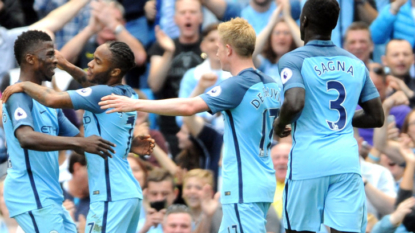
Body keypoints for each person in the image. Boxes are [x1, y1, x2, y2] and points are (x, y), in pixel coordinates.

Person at [100, 17, 282, 232]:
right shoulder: (272, 83)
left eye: (217, 49)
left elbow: (189, 107)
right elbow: (281, 124)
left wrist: (136, 103)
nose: (216, 54)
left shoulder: (237, 85)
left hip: (244, 183)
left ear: (228, 49)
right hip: (263, 178)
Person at [2, 41, 155, 233]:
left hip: (111, 194)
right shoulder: (126, 93)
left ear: (115, 72)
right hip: (127, 193)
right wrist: (127, 145)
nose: (90, 64)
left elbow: (52, 98)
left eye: (98, 62)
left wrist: (23, 84)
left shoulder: (102, 93)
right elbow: (88, 86)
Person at [273, 0, 384, 232]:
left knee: (299, 229)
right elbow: (376, 117)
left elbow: (294, 102)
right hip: (346, 161)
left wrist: (279, 123)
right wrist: (333, 116)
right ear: (334, 24)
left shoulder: (293, 59)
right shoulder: (356, 63)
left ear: (303, 21)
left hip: (309, 161)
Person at [147, 0, 204, 158]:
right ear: (175, 19)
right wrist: (169, 53)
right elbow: (154, 85)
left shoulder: (211, 45)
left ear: (201, 17)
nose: (188, 17)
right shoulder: (163, 46)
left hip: (202, 124)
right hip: (170, 128)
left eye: (193, 12)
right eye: (183, 12)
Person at [138, 168, 179, 233]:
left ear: (175, 193)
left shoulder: (185, 223)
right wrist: (144, 230)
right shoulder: (135, 225)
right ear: (147, 193)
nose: (159, 199)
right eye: (154, 194)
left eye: (165, 194)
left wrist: (168, 227)